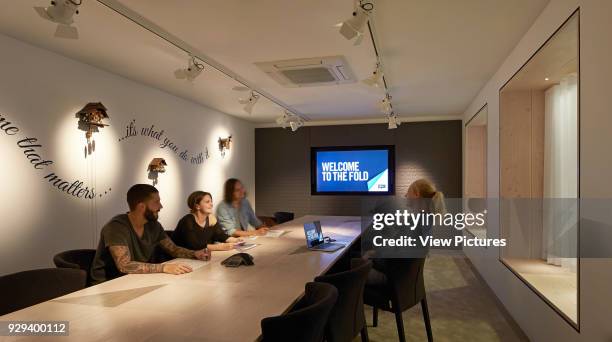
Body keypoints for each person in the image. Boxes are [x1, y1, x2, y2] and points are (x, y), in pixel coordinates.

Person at [90, 184, 211, 285]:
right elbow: (124, 265)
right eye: (156, 202)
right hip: (108, 284)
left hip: (136, 280)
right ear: (141, 207)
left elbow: (173, 249)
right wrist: (163, 268)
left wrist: (195, 254)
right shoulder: (116, 227)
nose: (161, 206)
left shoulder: (153, 225)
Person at [366, 178, 446, 285]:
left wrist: (374, 254)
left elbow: (394, 257)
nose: (405, 196)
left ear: (416, 194)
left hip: (393, 279)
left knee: (350, 266)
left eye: (408, 193)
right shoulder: (426, 220)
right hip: (405, 276)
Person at [174, 191, 243, 251]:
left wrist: (236, 240)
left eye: (211, 201)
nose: (211, 204)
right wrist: (219, 247)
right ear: (197, 206)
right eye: (207, 202)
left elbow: (220, 235)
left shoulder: (211, 219)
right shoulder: (187, 220)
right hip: (179, 259)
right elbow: (194, 246)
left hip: (200, 257)